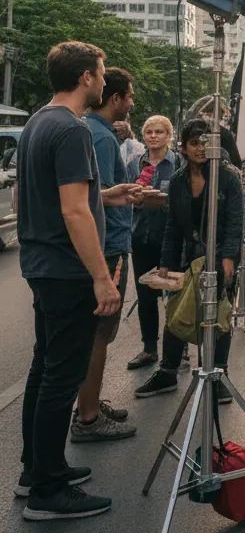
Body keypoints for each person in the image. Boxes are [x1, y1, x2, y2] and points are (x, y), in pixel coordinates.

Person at [17, 42, 133, 521]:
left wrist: (105, 194)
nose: (105, 82)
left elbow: (60, 197)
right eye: (102, 74)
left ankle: (38, 470)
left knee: (44, 371)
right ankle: (46, 492)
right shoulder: (73, 130)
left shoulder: (38, 122)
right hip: (67, 272)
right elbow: (70, 210)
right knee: (61, 378)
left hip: (42, 265)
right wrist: (102, 278)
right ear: (86, 77)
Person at [133, 119, 243, 403]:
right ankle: (168, 371)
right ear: (183, 147)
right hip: (187, 256)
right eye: (194, 143)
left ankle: (218, 376)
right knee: (176, 313)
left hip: (219, 256)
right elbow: (172, 226)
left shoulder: (228, 176)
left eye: (206, 142)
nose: (201, 148)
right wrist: (166, 262)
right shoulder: (180, 179)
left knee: (218, 316)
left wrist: (229, 258)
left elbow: (235, 222)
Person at [73, 68, 144, 443]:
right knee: (99, 334)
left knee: (99, 334)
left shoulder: (96, 133)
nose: (131, 103)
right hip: (110, 245)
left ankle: (90, 402)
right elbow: (88, 197)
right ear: (114, 97)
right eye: (128, 96)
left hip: (111, 240)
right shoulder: (98, 137)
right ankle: (87, 416)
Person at [125, 115, 179, 370]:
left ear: (169, 136)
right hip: (141, 236)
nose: (154, 136)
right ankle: (149, 348)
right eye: (150, 132)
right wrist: (134, 198)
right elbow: (123, 194)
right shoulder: (135, 164)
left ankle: (179, 348)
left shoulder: (177, 163)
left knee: (175, 294)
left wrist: (165, 201)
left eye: (159, 132)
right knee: (146, 296)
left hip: (170, 238)